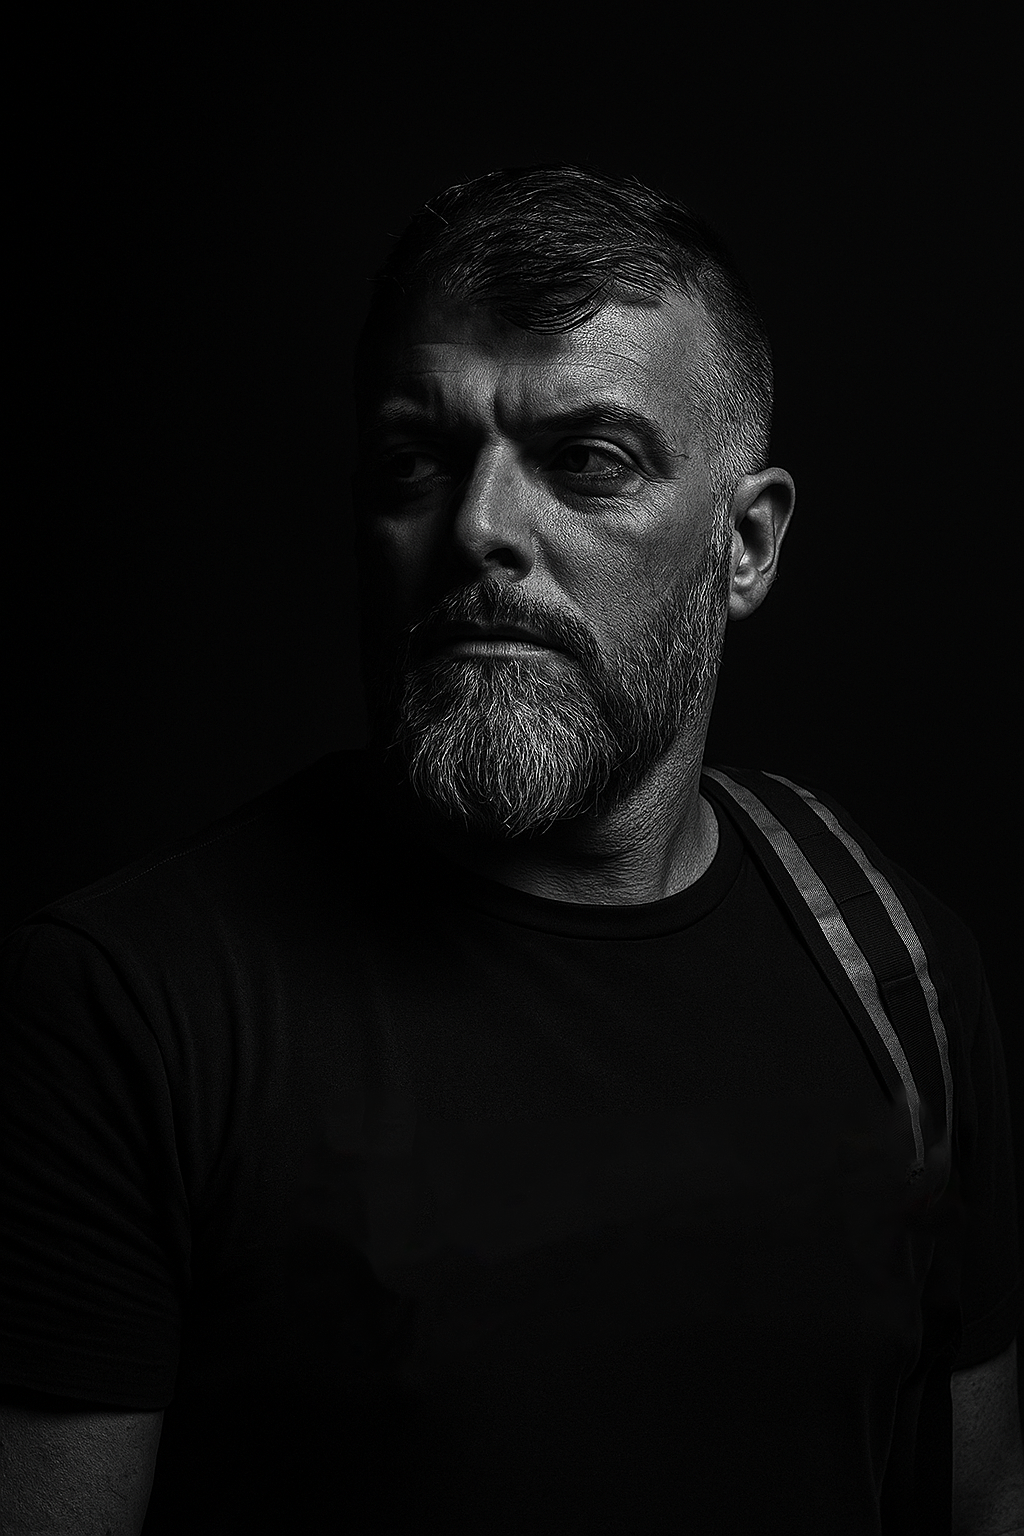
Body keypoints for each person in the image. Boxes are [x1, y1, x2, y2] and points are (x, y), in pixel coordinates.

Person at [1, 164, 1020, 1535]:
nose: (478, 529)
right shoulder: (123, 1012)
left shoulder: (898, 968)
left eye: (586, 460)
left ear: (748, 545)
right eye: (416, 461)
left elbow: (978, 1494)